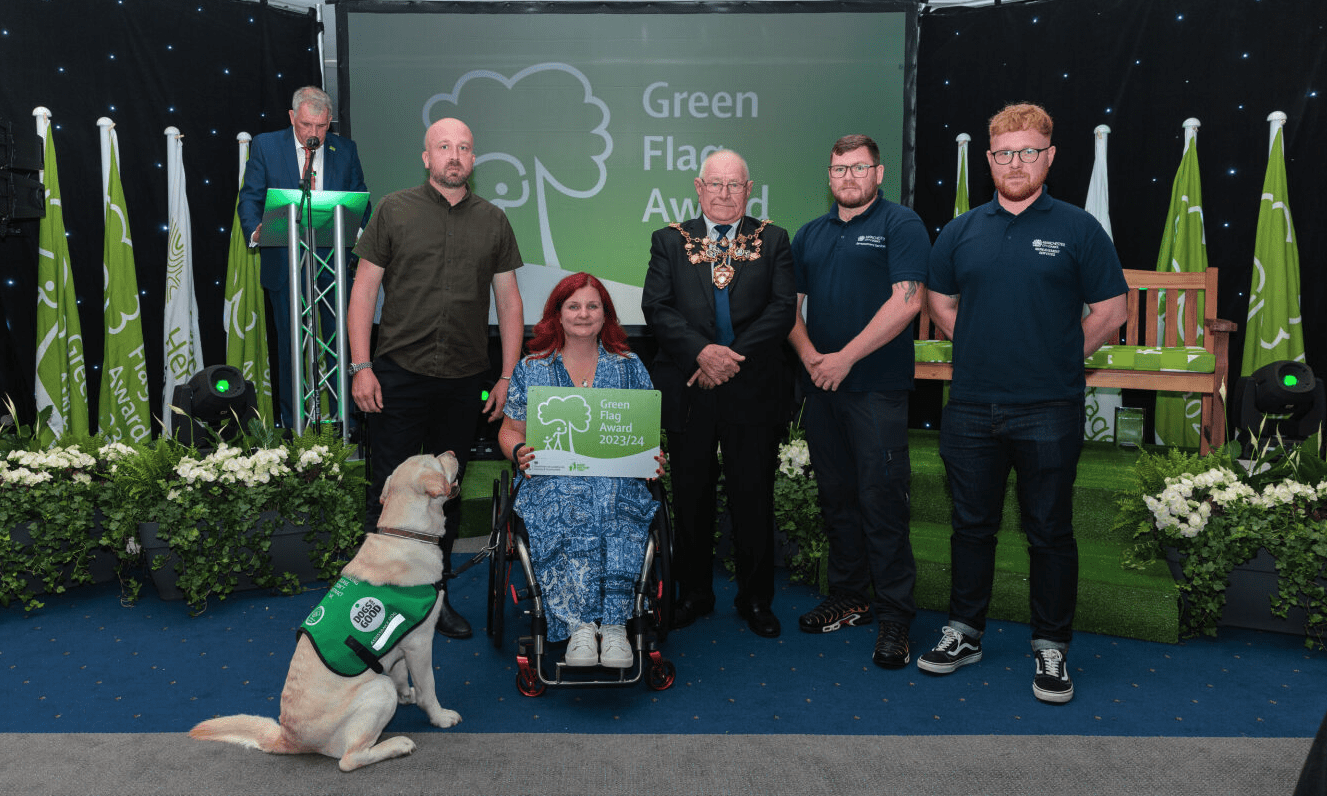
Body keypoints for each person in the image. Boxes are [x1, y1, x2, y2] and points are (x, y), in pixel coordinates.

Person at [920, 103, 1128, 703]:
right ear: (989, 160)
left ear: (1049, 157)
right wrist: (980, 345)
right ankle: (964, 632)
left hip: (1049, 407)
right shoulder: (960, 230)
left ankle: (1051, 647)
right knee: (971, 526)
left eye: (1029, 152)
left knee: (1050, 531)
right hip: (971, 407)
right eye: (1005, 153)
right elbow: (940, 301)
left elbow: (1112, 312)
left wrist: (1057, 354)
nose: (1016, 163)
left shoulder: (1078, 229)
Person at [348, 117, 524, 640]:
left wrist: (508, 376)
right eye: (444, 146)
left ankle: (434, 599)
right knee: (388, 491)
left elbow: (509, 302)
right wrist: (361, 366)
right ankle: (375, 603)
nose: (454, 155)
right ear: (426, 157)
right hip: (397, 375)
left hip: (464, 379)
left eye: (463, 147)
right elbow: (363, 291)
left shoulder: (493, 220)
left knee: (444, 496)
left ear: (473, 159)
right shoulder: (393, 210)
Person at [787, 134, 930, 669]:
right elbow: (789, 308)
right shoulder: (809, 234)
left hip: (876, 389)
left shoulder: (901, 224)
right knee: (837, 499)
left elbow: (907, 301)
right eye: (839, 168)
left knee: (882, 502)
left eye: (859, 167)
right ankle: (849, 598)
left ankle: (895, 618)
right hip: (822, 387)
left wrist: (844, 358)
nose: (848, 177)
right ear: (829, 176)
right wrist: (811, 358)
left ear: (879, 173)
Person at [642, 149, 796, 638]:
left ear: (749, 190)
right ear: (699, 187)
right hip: (690, 386)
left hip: (752, 388)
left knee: (753, 497)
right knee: (691, 498)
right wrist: (702, 353)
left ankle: (756, 598)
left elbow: (782, 310)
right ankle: (694, 593)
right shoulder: (669, 240)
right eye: (716, 184)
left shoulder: (773, 239)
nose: (725, 194)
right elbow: (657, 307)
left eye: (734, 185)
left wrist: (728, 359)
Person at [498, 272, 663, 667]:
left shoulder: (628, 367)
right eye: (573, 306)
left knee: (613, 502)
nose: (583, 314)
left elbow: (643, 432)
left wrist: (652, 457)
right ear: (557, 314)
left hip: (615, 478)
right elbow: (509, 430)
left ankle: (616, 626)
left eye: (592, 306)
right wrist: (518, 450)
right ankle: (580, 627)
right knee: (566, 503)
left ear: (606, 315)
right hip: (550, 479)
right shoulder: (532, 367)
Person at [238, 85, 370, 429]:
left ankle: (344, 423)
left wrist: (357, 231)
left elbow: (361, 201)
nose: (314, 133)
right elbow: (250, 197)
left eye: (322, 126)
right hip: (285, 265)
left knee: (341, 344)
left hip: (333, 264)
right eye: (307, 125)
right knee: (290, 348)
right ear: (292, 117)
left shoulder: (346, 150)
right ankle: (292, 425)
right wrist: (255, 231)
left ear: (330, 122)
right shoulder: (266, 146)